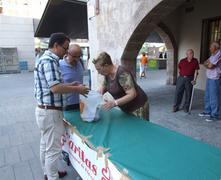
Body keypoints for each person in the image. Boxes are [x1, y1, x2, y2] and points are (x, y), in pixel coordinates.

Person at [34, 33, 89, 180]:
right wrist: (77, 89)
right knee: (53, 149)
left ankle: (48, 173)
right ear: (56, 45)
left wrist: (71, 85)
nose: (66, 52)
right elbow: (55, 88)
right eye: (65, 48)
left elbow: (54, 85)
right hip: (51, 112)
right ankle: (52, 176)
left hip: (45, 110)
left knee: (45, 145)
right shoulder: (50, 61)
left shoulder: (45, 59)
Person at [93, 52, 149, 120]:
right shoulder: (107, 74)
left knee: (141, 129)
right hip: (126, 108)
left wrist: (114, 103)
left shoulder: (122, 73)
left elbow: (132, 94)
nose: (98, 72)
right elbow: (104, 86)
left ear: (106, 65)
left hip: (138, 106)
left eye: (99, 69)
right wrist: (99, 94)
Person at [198, 42, 221, 121]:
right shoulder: (213, 54)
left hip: (215, 78)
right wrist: (208, 64)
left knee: (214, 97)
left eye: (211, 47)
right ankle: (207, 111)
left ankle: (214, 115)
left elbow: (210, 65)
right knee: (207, 96)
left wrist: (209, 65)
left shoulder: (219, 53)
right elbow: (205, 63)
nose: (209, 48)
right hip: (209, 77)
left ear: (215, 47)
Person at [59, 44, 84, 110]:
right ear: (67, 53)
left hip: (81, 102)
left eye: (79, 56)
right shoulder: (59, 65)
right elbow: (57, 86)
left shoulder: (80, 62)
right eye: (74, 56)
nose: (77, 59)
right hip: (66, 105)